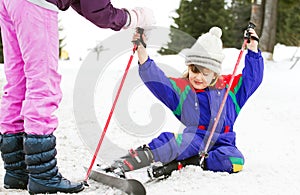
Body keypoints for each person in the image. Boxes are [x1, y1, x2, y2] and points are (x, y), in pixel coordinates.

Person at [0, 0, 155, 194]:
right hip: (36, 4)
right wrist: (136, 17)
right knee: (43, 83)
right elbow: (97, 10)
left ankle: (17, 172)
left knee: (18, 82)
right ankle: (42, 175)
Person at [107, 26, 264, 177]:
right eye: (194, 70)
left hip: (223, 142)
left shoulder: (231, 90)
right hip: (194, 139)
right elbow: (157, 80)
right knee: (175, 143)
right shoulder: (183, 90)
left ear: (215, 73)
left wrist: (253, 49)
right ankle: (129, 161)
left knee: (235, 160)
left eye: (205, 72)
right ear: (189, 67)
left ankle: (192, 163)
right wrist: (141, 50)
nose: (198, 77)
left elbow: (253, 78)